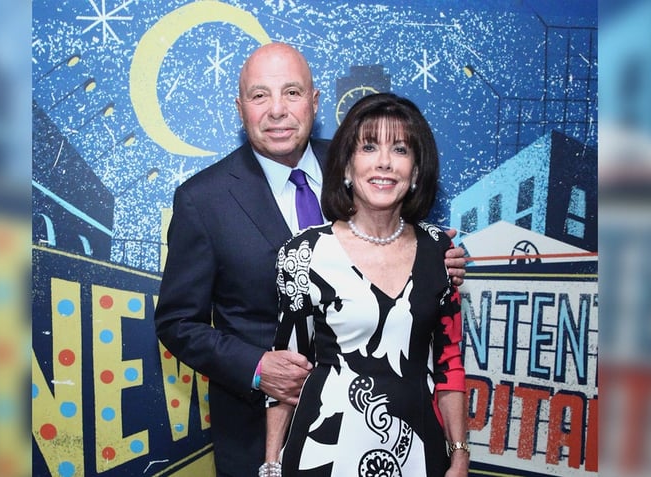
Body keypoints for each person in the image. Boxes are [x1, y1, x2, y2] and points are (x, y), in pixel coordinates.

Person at [154, 43, 466, 477]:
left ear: (315, 102)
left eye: (292, 93)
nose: (277, 110)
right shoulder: (201, 201)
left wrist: (440, 260)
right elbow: (176, 323)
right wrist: (258, 368)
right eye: (260, 95)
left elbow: (408, 248)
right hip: (260, 437)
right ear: (240, 107)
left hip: (388, 431)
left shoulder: (366, 161)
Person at [261, 93, 469, 477]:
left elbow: (450, 364)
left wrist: (459, 455)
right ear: (346, 167)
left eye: (401, 149)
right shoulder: (303, 254)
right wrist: (272, 462)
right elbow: (287, 368)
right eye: (369, 147)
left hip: (418, 454)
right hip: (323, 452)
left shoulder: (440, 251)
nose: (385, 163)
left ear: (417, 171)